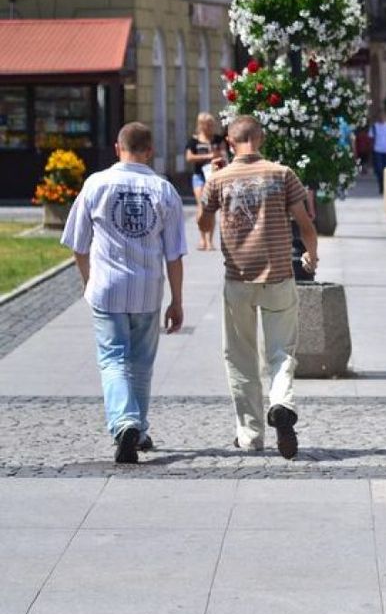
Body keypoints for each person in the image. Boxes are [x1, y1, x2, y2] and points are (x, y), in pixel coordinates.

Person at [60, 122, 187, 464]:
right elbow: (174, 254)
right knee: (141, 363)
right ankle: (138, 428)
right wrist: (176, 300)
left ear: (118, 149)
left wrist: (88, 281)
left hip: (108, 287)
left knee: (113, 358)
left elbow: (78, 244)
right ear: (150, 151)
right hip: (147, 288)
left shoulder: (96, 184)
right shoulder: (164, 190)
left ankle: (125, 423)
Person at [198, 115, 318, 460]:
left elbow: (203, 224)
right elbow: (305, 223)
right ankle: (281, 403)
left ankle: (250, 435)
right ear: (261, 138)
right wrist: (312, 256)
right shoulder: (282, 174)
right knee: (282, 351)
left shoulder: (219, 178)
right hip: (279, 274)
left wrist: (210, 186)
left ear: (229, 142)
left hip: (238, 279)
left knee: (240, 357)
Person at [185, 113, 224, 251]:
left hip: (213, 176)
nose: (210, 127)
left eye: (212, 124)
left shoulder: (218, 139)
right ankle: (202, 238)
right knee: (201, 205)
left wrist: (218, 155)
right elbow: (189, 157)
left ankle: (210, 240)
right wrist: (208, 156)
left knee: (211, 207)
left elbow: (223, 153)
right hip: (199, 176)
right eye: (208, 124)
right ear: (201, 125)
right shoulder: (194, 141)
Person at [368, 107, 386, 195]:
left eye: (383, 115)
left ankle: (385, 187)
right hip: (378, 151)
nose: (382, 117)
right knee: (379, 170)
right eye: (380, 115)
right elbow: (371, 140)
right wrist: (371, 152)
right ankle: (381, 185)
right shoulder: (374, 127)